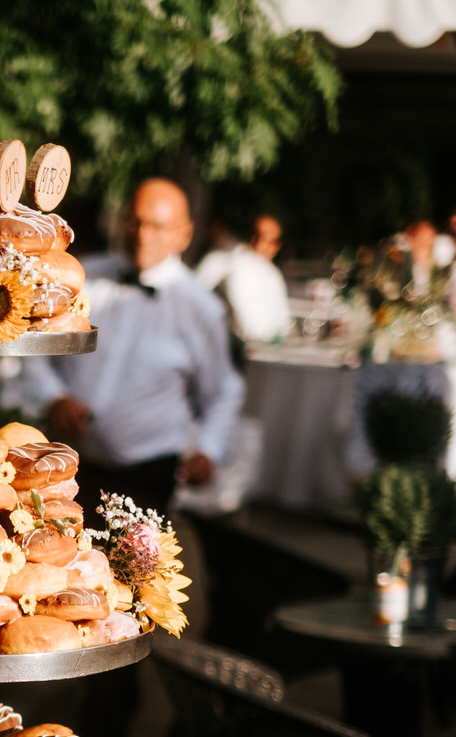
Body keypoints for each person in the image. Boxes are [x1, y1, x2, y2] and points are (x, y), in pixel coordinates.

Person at [17, 177, 244, 519]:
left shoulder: (201, 309)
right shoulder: (83, 278)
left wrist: (209, 450)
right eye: (135, 221)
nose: (142, 235)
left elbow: (224, 389)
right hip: (68, 464)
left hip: (148, 474)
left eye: (157, 226)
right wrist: (54, 397)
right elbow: (32, 346)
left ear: (184, 233)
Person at [197, 214, 291, 347]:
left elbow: (282, 320)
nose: (264, 245)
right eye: (260, 237)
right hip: (229, 344)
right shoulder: (224, 261)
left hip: (264, 348)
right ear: (251, 236)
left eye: (272, 241)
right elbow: (194, 293)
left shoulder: (273, 275)